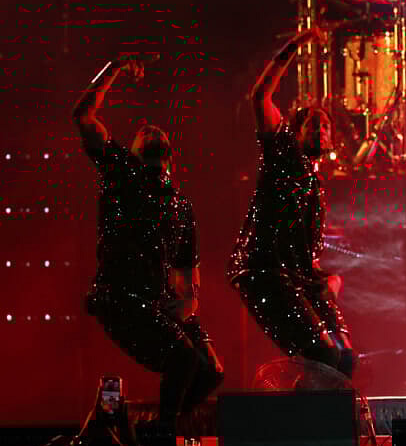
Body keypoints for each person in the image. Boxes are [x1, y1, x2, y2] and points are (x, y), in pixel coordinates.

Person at [73, 55, 223, 425]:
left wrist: (187, 304)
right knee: (184, 358)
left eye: (158, 135)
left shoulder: (181, 206)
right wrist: (114, 67)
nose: (151, 131)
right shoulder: (122, 172)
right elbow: (83, 116)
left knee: (212, 371)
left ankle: (157, 427)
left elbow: (187, 277)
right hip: (121, 297)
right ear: (134, 150)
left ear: (170, 156)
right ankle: (162, 438)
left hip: (158, 301)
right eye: (143, 134)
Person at [229, 28, 355, 377]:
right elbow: (259, 97)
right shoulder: (282, 155)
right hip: (265, 271)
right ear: (294, 132)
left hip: (296, 276)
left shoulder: (316, 185)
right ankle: (304, 423)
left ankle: (321, 419)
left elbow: (305, 253)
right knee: (322, 355)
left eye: (326, 126)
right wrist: (294, 46)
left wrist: (328, 279)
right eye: (311, 124)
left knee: (345, 358)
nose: (320, 129)